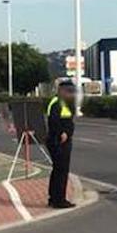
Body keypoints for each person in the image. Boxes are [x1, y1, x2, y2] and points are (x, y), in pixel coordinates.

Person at [45, 80, 77, 209]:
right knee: (61, 171)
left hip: (62, 139)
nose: (71, 94)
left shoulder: (65, 103)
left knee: (58, 170)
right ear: (61, 91)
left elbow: (68, 120)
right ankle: (59, 200)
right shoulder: (56, 103)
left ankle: (54, 198)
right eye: (68, 91)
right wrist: (62, 133)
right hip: (58, 141)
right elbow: (53, 120)